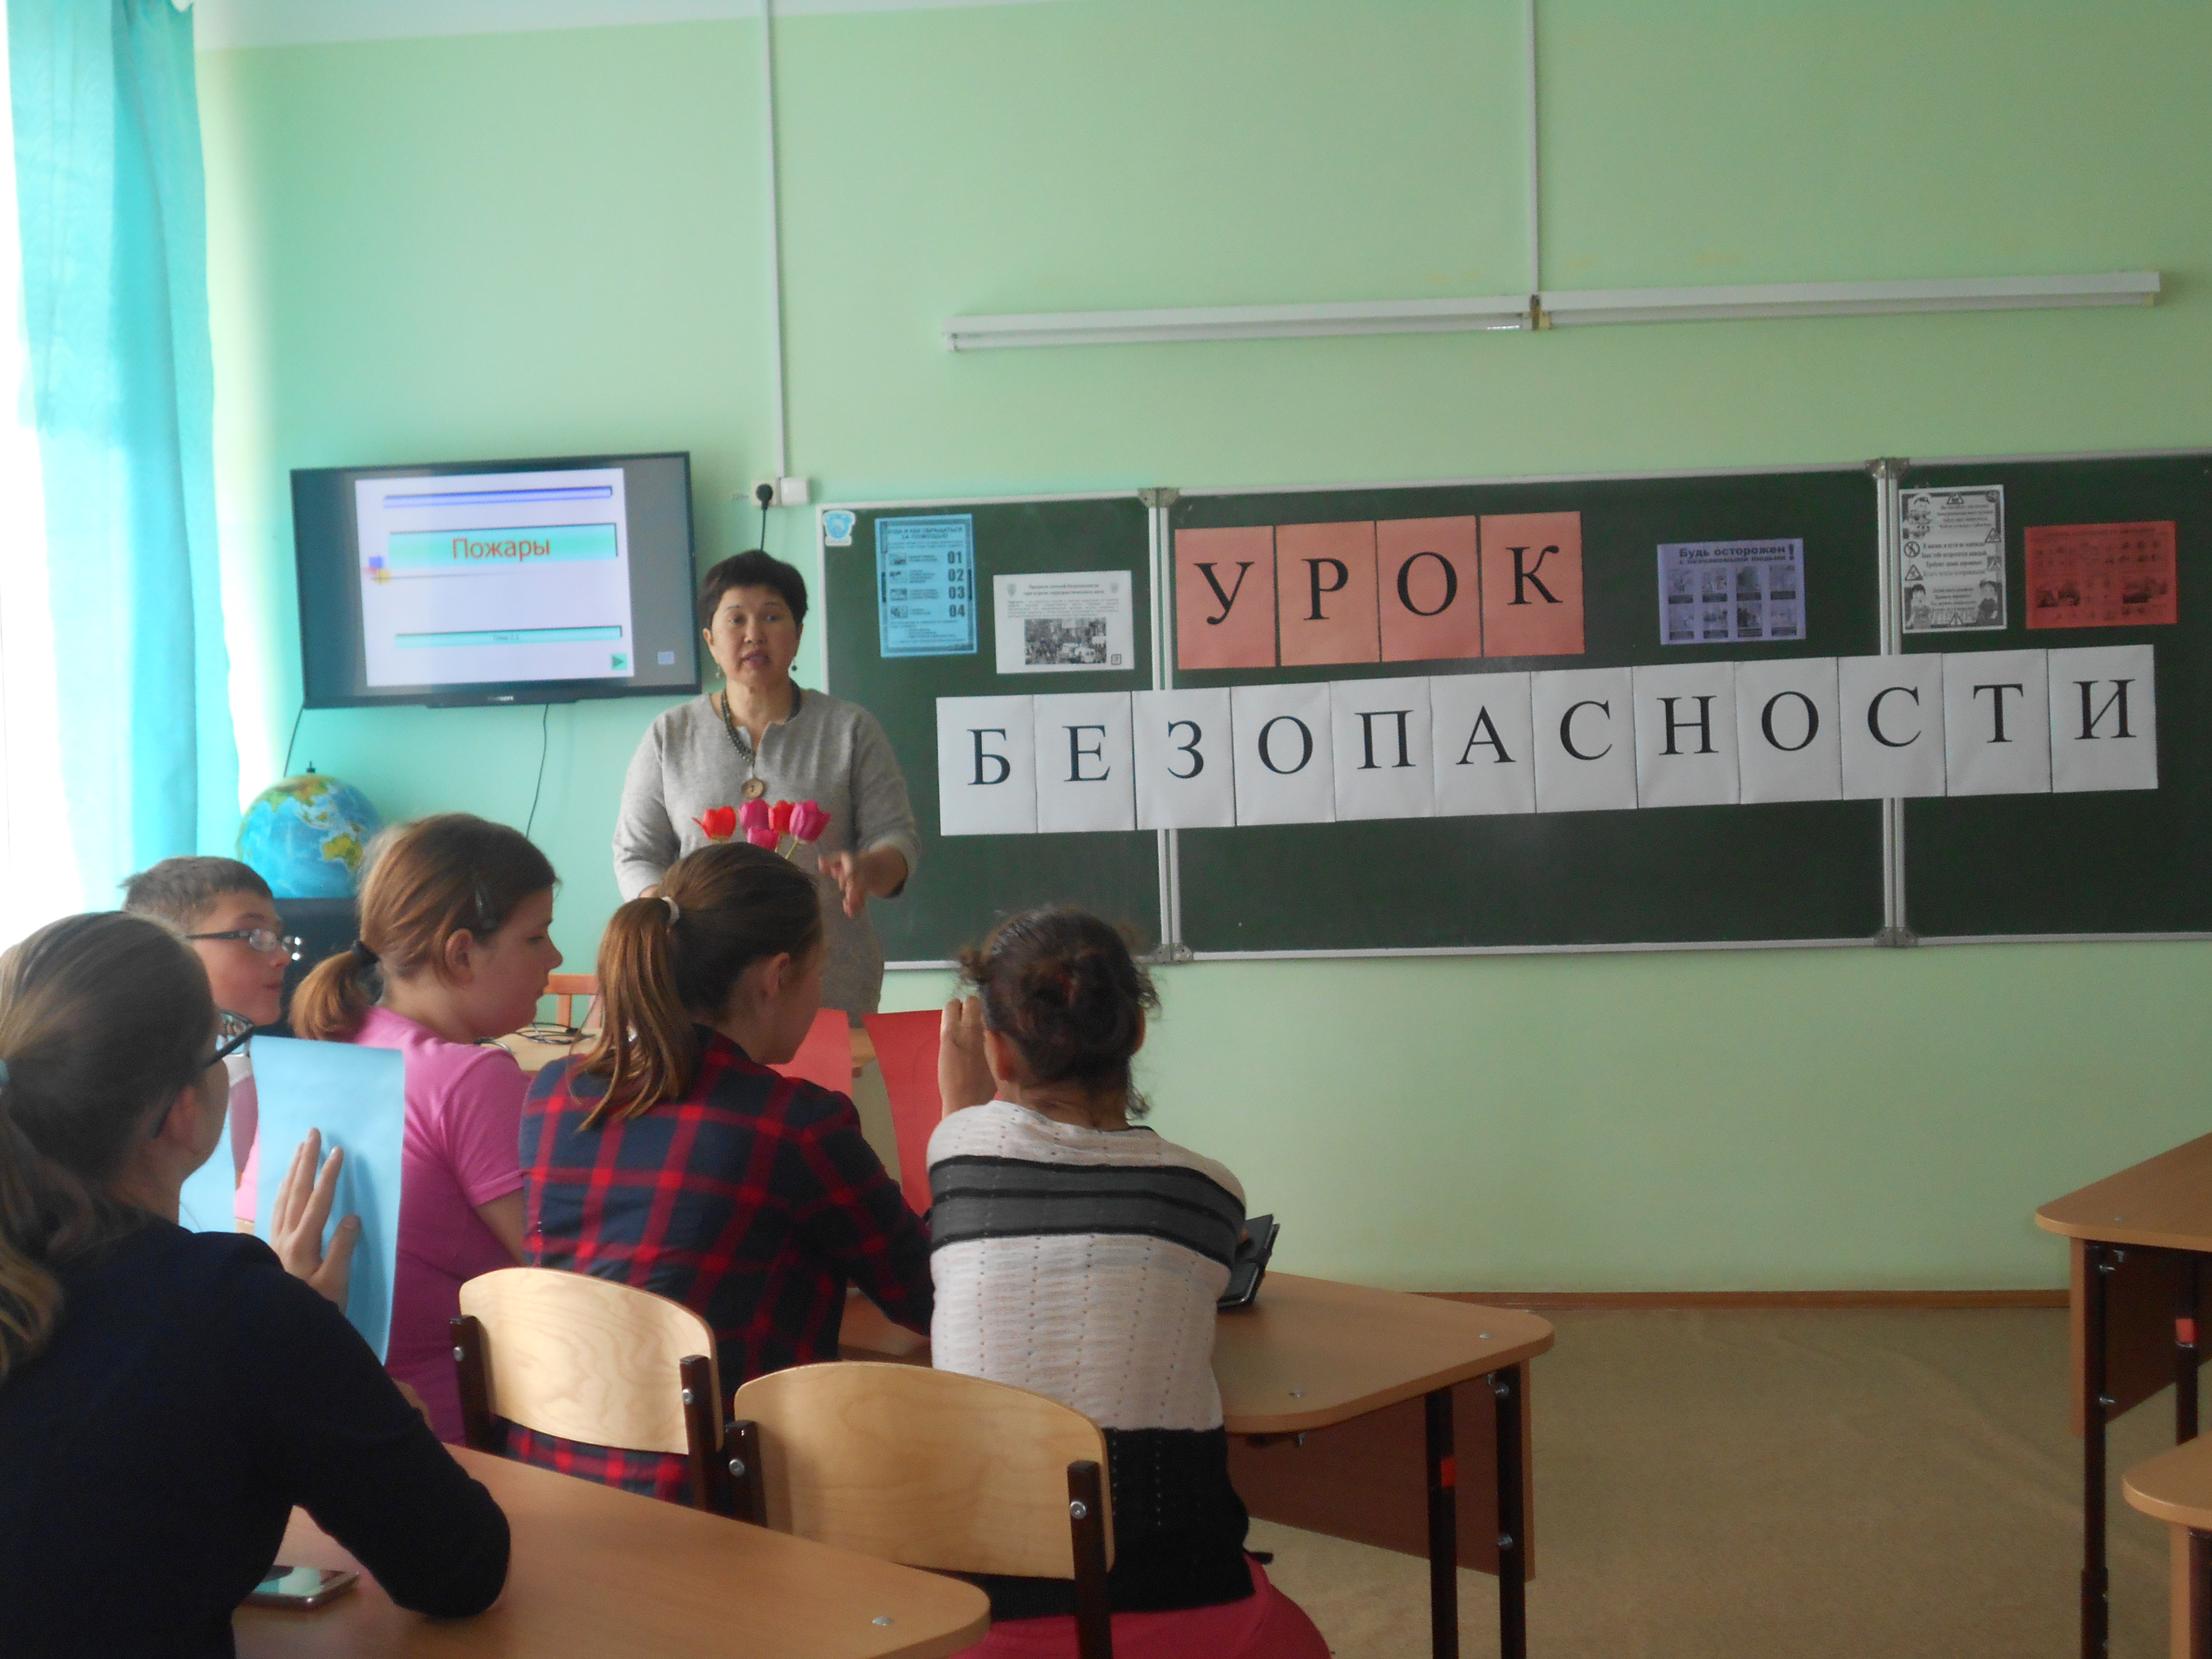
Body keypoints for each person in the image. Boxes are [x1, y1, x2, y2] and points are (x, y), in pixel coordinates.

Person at [0, 913, 508, 1659]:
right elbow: (459, 1565)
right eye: (222, 1046)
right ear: (182, 1108)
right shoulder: (234, 1310)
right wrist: (333, 1366)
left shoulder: (223, 1307)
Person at [930, 908, 1328, 1659]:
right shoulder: (1208, 1190)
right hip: (1181, 1600)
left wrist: (964, 1102)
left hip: (980, 1619)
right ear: (1138, 1031)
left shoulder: (955, 1152)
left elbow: (983, 1147)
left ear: (997, 1050)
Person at [518, 840, 931, 1501]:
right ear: (776, 978)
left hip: (554, 1482)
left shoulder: (554, 1094)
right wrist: (965, 1133)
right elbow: (931, 1298)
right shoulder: (794, 1125)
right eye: (820, 972)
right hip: (718, 1500)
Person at [292, 814, 561, 1443]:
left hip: (325, 1415)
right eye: (536, 937)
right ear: (462, 953)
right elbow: (559, 1278)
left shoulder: (332, 1041)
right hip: (450, 1437)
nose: (555, 958)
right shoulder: (471, 1078)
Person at [613, 550, 921, 1016]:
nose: (754, 634)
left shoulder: (850, 729)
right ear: (710, 640)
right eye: (736, 619)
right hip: (700, 981)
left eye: (772, 617)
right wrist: (664, 911)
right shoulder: (670, 735)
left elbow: (897, 838)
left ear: (797, 636)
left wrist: (868, 870)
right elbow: (636, 853)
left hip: (826, 978)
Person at [122, 856, 301, 1228]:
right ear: (170, 948)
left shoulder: (251, 1061)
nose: (282, 957)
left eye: (277, 937)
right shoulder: (151, 1085)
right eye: (253, 936)